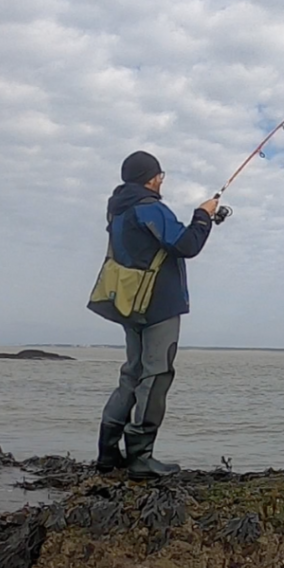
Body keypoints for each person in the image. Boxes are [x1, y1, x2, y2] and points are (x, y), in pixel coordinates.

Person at [90, 151, 218, 478]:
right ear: (150, 177)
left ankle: (107, 454)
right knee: (157, 374)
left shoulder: (118, 210)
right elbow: (186, 245)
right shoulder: (150, 207)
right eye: (160, 174)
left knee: (132, 372)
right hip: (157, 305)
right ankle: (140, 458)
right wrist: (202, 216)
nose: (162, 180)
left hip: (128, 303)